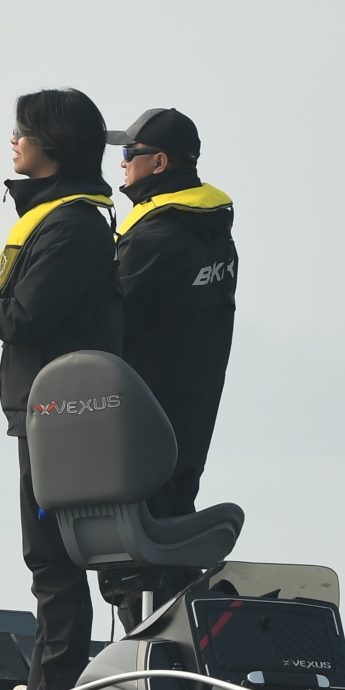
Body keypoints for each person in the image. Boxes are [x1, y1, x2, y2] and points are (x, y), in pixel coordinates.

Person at [0, 87, 123, 690]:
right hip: (45, 416)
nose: (13, 140)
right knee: (49, 558)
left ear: (53, 145)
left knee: (52, 560)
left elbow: (24, 318)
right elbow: (5, 286)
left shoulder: (73, 227)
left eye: (22, 131)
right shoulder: (51, 217)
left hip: (63, 420)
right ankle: (52, 686)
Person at [97, 108, 238, 629]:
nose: (121, 164)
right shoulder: (214, 232)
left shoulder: (155, 238)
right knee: (174, 537)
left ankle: (153, 656)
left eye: (129, 154)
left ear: (158, 163)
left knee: (133, 554)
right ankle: (192, 651)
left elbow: (107, 317)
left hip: (143, 417)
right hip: (192, 416)